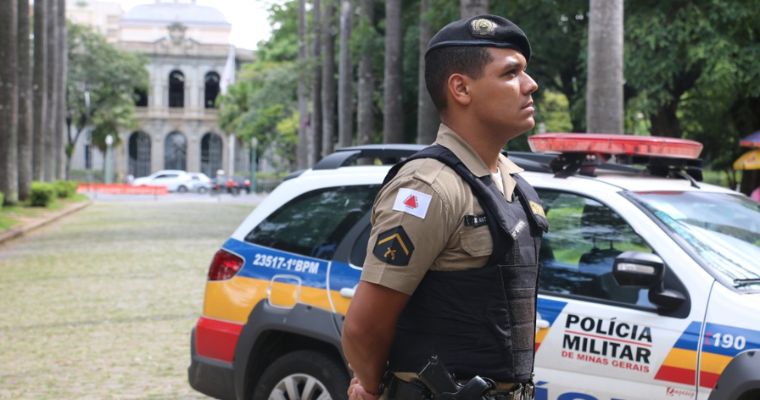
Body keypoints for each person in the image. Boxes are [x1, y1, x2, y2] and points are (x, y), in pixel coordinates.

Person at [341, 14, 549, 400]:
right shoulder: (428, 187)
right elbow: (364, 326)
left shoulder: (515, 184)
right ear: (461, 88)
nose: (530, 84)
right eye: (510, 73)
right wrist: (370, 388)